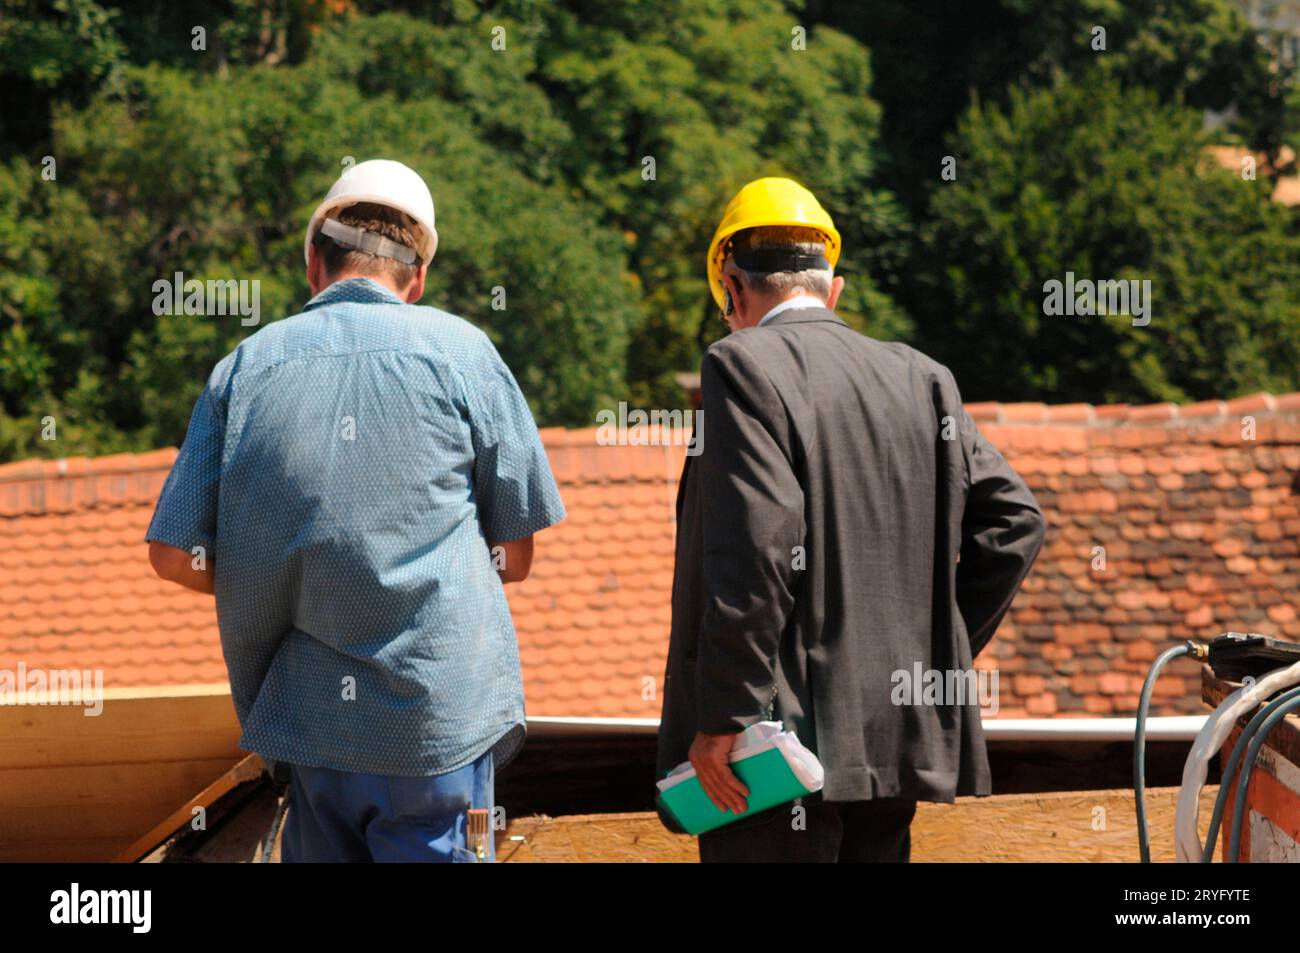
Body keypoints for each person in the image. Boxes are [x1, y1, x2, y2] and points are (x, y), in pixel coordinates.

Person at [146, 159, 565, 862]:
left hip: (314, 731)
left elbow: (170, 553)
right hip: (439, 724)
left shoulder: (244, 369)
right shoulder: (464, 354)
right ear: (417, 277)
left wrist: (289, 573)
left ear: (315, 261)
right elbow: (514, 557)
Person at [656, 177, 1046, 862]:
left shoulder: (739, 364)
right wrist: (930, 659)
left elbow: (760, 549)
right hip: (892, 740)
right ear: (833, 289)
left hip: (769, 758)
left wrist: (724, 716)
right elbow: (1015, 524)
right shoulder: (922, 377)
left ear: (731, 288)